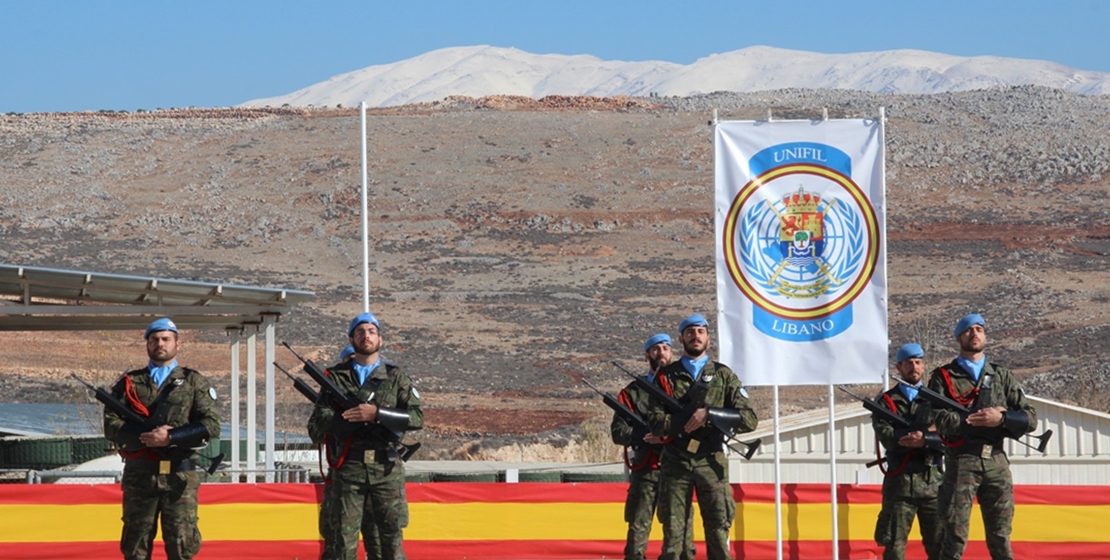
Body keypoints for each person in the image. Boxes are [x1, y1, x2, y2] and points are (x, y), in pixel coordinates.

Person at [102, 318, 221, 560]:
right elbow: (111, 425)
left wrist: (171, 437)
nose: (160, 344)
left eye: (166, 339)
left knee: (182, 545)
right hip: (140, 476)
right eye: (154, 339)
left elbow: (211, 424)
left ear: (178, 344)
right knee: (135, 546)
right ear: (147, 344)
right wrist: (146, 437)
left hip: (179, 477)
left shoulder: (193, 381)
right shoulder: (130, 382)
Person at [308, 312, 424, 560]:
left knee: (390, 541)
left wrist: (377, 414)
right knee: (342, 542)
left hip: (386, 471)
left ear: (380, 338)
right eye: (360, 332)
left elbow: (416, 418)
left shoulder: (396, 378)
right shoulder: (335, 378)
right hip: (349, 469)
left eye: (372, 331)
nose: (366, 336)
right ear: (351, 339)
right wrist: (348, 420)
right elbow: (318, 423)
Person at [645, 314, 758, 560]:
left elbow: (749, 419)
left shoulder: (723, 375)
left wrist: (709, 414)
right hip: (677, 461)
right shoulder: (666, 377)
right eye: (690, 332)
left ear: (708, 338)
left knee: (718, 528)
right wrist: (682, 424)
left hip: (711, 460)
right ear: (681, 339)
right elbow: (654, 421)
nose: (695, 336)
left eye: (700, 332)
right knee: (674, 533)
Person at [927, 314, 1037, 560]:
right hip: (961, 461)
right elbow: (935, 418)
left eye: (979, 329)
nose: (974, 334)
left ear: (985, 336)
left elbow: (1030, 417)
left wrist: (1003, 418)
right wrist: (974, 420)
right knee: (953, 537)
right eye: (968, 330)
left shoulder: (1001, 375)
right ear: (958, 338)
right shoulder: (943, 377)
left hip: (996, 461)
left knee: (1001, 537)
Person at [609, 333, 693, 560]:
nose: (661, 352)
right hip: (646, 470)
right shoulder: (632, 393)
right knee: (638, 528)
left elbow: (694, 425)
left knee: (680, 531)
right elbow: (618, 432)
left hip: (677, 470)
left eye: (666, 347)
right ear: (647, 354)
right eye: (656, 349)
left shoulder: (684, 387)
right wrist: (644, 436)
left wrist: (667, 436)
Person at [871, 343, 943, 560]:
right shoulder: (886, 402)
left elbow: (950, 435)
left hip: (934, 486)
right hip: (899, 487)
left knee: (941, 547)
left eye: (918, 362)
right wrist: (918, 437)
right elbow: (888, 437)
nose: (914, 367)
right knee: (894, 548)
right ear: (899, 367)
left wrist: (924, 440)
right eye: (908, 363)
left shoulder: (936, 400)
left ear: (924, 366)